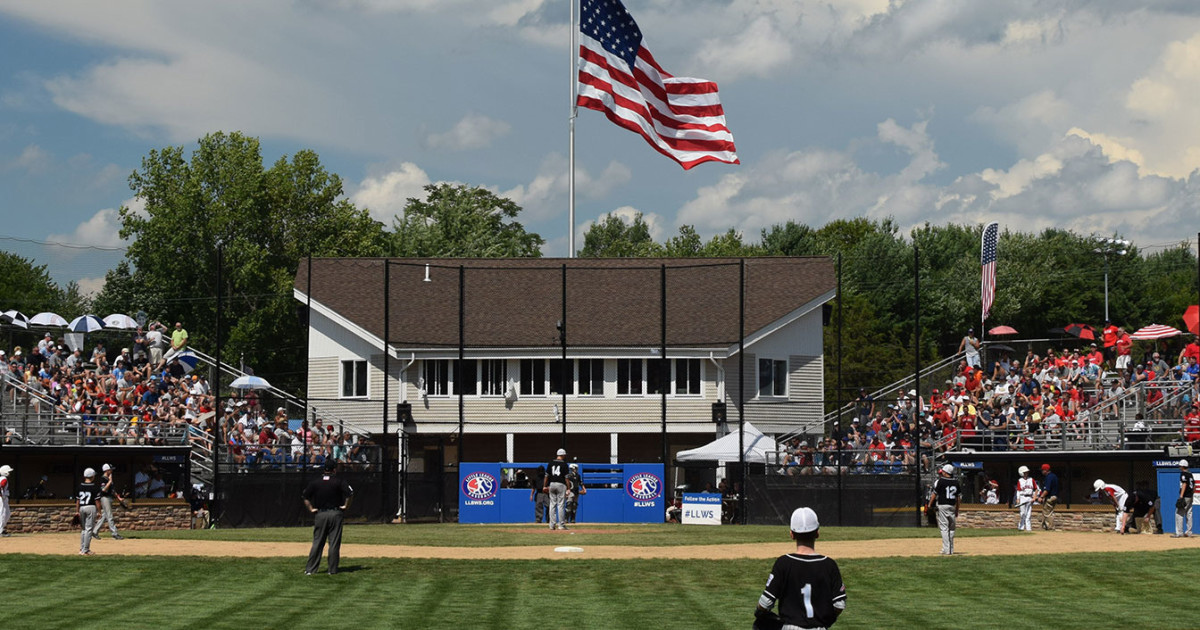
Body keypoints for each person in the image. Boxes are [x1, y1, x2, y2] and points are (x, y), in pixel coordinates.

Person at [755, 507, 846, 630]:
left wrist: (760, 612)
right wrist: (826, 620)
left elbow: (765, 603)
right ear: (817, 533)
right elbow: (839, 604)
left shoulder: (783, 563)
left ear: (792, 534)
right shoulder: (829, 565)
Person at [302, 459, 354, 575]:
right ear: (334, 470)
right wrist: (346, 506)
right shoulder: (339, 481)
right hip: (335, 513)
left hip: (320, 514)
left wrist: (311, 508)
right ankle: (332, 570)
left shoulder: (316, 482)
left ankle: (310, 570)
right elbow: (350, 494)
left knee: (317, 542)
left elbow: (305, 496)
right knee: (334, 543)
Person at [927, 463, 960, 555]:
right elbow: (958, 498)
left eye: (944, 472)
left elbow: (934, 493)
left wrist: (930, 504)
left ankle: (946, 549)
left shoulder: (941, 481)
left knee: (944, 528)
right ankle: (951, 549)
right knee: (952, 528)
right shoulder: (956, 482)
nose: (943, 473)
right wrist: (957, 509)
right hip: (952, 506)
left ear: (946, 472)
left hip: (943, 505)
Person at [92, 463, 125, 540]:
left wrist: (118, 498)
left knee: (104, 515)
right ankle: (114, 533)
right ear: (107, 470)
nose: (111, 471)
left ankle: (94, 531)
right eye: (110, 469)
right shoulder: (103, 478)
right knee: (110, 516)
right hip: (105, 498)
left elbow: (113, 490)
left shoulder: (109, 478)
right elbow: (104, 489)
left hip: (109, 497)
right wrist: (110, 481)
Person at [544, 448, 569, 530]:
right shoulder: (564, 464)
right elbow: (566, 478)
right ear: (562, 455)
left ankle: (552, 525)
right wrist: (568, 488)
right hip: (561, 484)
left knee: (552, 504)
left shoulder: (550, 463)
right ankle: (561, 525)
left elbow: (546, 476)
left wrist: (545, 486)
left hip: (552, 484)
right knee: (561, 505)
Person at [78, 467, 101, 555]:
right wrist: (99, 511)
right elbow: (97, 501)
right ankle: (86, 550)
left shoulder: (80, 486)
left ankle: (82, 548)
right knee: (89, 529)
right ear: (92, 476)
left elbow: (77, 500)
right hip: (90, 507)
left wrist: (77, 511)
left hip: (82, 507)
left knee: (84, 529)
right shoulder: (94, 487)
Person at [1174, 459, 1194, 538]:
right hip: (1190, 496)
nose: (1179, 467)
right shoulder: (1190, 473)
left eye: (1180, 466)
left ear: (1182, 466)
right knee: (1189, 513)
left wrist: (1181, 496)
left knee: (1179, 513)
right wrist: (1191, 494)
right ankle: (1189, 532)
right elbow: (1194, 486)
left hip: (1185, 496)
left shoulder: (1184, 473)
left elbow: (1184, 484)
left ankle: (1179, 533)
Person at [1014, 465, 1038, 532]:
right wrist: (1018, 498)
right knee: (1022, 513)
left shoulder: (1031, 479)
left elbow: (1036, 489)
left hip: (1029, 497)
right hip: (1022, 497)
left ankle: (1028, 528)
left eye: (1027, 472)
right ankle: (1021, 527)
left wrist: (1034, 497)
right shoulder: (1020, 480)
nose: (1027, 473)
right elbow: (1018, 490)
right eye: (1025, 472)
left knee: (1028, 514)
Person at [1039, 463, 1059, 531]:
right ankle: (1049, 526)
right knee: (1050, 512)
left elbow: (1047, 489)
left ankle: (1050, 527)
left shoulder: (1049, 477)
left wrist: (1041, 497)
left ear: (1046, 470)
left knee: (1047, 513)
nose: (1042, 472)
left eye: (1042, 470)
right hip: (1055, 496)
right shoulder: (1054, 476)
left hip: (1050, 497)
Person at [0, 464, 12, 537]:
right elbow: (1, 486)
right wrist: (1, 495)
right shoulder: (4, 479)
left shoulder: (2, 478)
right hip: (2, 498)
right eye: (8, 471)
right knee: (2, 513)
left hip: (4, 497)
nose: (9, 473)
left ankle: (1, 528)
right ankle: (0, 531)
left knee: (7, 514)